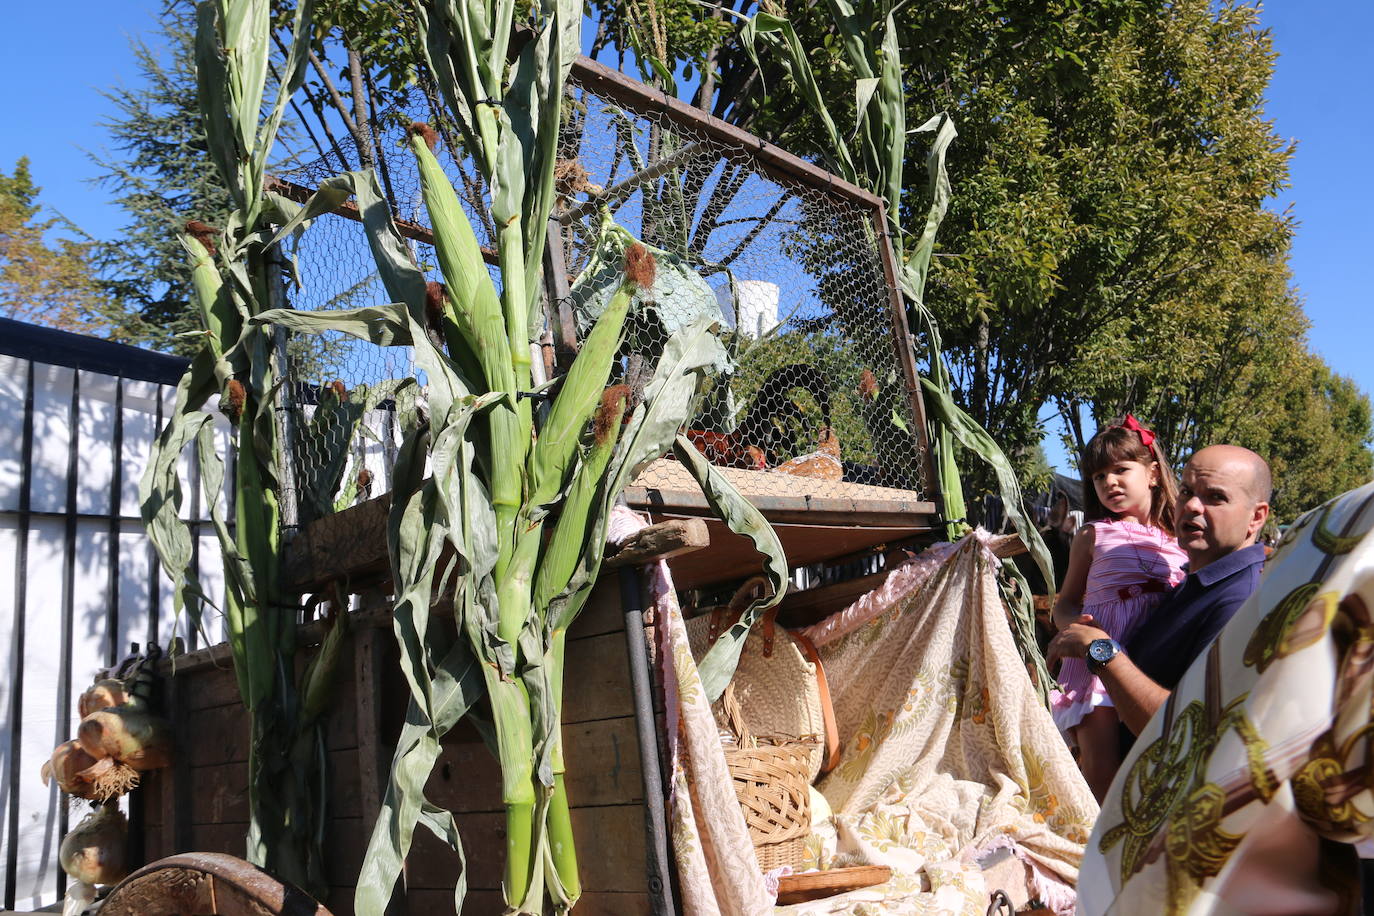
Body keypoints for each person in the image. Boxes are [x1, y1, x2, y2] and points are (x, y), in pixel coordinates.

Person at [1047, 444, 1271, 749]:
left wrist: (1099, 650)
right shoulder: (1189, 580)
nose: (1192, 506)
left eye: (1215, 497)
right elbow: (1067, 603)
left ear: (1257, 517)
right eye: (1187, 491)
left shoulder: (1240, 601)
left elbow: (1190, 734)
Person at [1049, 415, 1188, 799]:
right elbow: (1066, 602)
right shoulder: (1092, 535)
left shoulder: (1179, 541)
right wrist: (1073, 626)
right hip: (1098, 660)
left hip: (1151, 662)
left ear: (1154, 474)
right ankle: (1093, 846)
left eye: (1121, 470)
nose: (1109, 482)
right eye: (1098, 477)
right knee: (1102, 771)